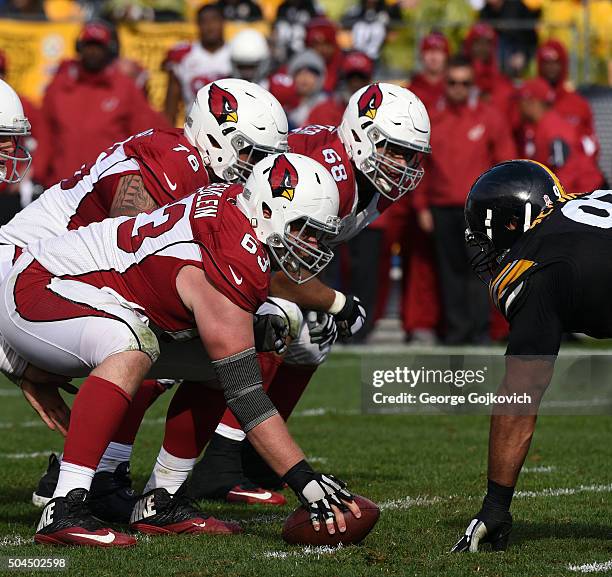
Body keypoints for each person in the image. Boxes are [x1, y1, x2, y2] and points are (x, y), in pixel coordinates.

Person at [0, 152, 359, 547]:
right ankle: (64, 505)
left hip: (83, 293)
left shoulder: (239, 215)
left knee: (225, 356)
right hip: (41, 286)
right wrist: (304, 478)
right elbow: (247, 397)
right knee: (133, 344)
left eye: (318, 235)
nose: (311, 245)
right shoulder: (230, 256)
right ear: (268, 210)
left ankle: (163, 497)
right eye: (304, 230)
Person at [0, 79, 288, 515]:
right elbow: (129, 270)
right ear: (216, 137)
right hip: (26, 272)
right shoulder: (174, 164)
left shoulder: (194, 168)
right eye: (252, 153)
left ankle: (150, 490)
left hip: (57, 277)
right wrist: (16, 361)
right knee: (145, 332)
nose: (259, 168)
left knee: (246, 336)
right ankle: (85, 479)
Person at [189, 83, 432, 501]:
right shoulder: (328, 179)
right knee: (282, 321)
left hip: (247, 261)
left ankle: (256, 457)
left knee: (310, 339)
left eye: (411, 155)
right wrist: (336, 301)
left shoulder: (369, 182)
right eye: (394, 150)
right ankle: (218, 462)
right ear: (362, 136)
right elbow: (267, 266)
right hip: (205, 255)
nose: (403, 164)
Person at [454, 160, 612, 551]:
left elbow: (520, 395)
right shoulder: (583, 202)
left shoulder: (535, 263)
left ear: (510, 223)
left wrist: (495, 505)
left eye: (486, 233)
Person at [414, 56, 516, 345]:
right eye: (453, 82)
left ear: (473, 86)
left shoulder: (489, 117)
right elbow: (420, 166)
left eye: (465, 83)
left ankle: (480, 332)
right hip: (442, 206)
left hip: (480, 209)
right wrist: (421, 206)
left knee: (481, 270)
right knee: (449, 273)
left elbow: (506, 164)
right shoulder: (432, 118)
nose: (458, 88)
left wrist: (503, 207)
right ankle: (456, 332)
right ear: (445, 84)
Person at [39, 21, 168, 187]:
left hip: (106, 189)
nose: (93, 52)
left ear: (109, 50)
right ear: (79, 48)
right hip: (60, 187)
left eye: (99, 47)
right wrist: (38, 174)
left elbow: (146, 135)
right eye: (88, 45)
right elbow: (45, 134)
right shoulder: (60, 85)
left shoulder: (125, 87)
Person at [517, 78, 604, 193]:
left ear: (531, 102)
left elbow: (568, 168)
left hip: (586, 191)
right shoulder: (544, 124)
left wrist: (557, 198)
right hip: (580, 190)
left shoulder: (553, 128)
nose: (518, 107)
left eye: (521, 102)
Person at [163, 4, 231, 125]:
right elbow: (171, 104)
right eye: (204, 22)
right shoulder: (184, 55)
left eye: (214, 20)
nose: (210, 26)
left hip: (231, 126)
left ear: (223, 22)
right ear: (197, 25)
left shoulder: (235, 52)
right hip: (194, 128)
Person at [536, 39, 599, 159]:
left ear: (563, 65)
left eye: (555, 63)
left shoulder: (578, 104)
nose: (551, 68)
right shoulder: (529, 102)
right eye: (546, 63)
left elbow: (592, 147)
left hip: (571, 173)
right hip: (534, 172)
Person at [306, 51, 374, 127]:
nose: (356, 83)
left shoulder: (380, 112)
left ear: (369, 80)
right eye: (351, 77)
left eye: (361, 77)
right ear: (343, 79)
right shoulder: (324, 110)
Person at [408, 32, 449, 112]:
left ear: (446, 56)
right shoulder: (411, 90)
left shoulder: (456, 86)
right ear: (421, 56)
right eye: (429, 51)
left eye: (439, 52)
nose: (434, 57)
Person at [285, 50, 327, 129]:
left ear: (320, 78)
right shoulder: (285, 104)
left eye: (310, 74)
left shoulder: (326, 104)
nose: (304, 78)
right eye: (299, 73)